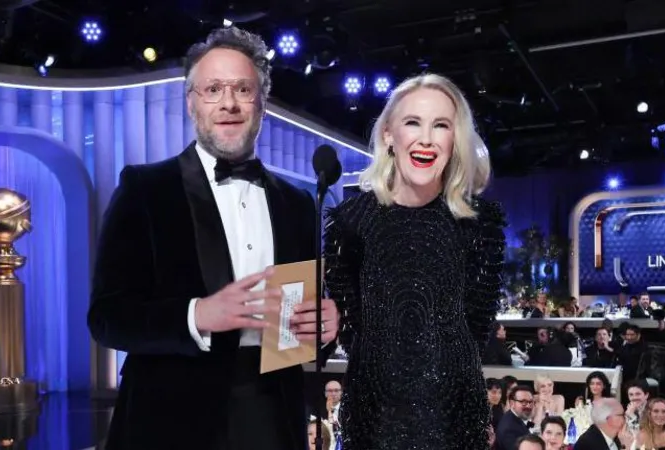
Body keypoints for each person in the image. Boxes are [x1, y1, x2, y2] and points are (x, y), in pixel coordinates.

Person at [87, 26, 339, 450]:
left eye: (243, 89)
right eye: (213, 89)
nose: (228, 102)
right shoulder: (145, 189)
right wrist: (197, 315)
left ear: (262, 103)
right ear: (191, 103)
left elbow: (302, 324)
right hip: (171, 422)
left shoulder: (297, 203)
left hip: (274, 419)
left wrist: (324, 328)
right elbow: (107, 318)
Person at [324, 73, 506, 449]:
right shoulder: (351, 223)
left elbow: (476, 330)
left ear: (454, 140)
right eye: (413, 122)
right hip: (374, 418)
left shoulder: (480, 224)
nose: (426, 138)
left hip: (455, 420)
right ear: (388, 134)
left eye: (441, 125)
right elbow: (352, 330)